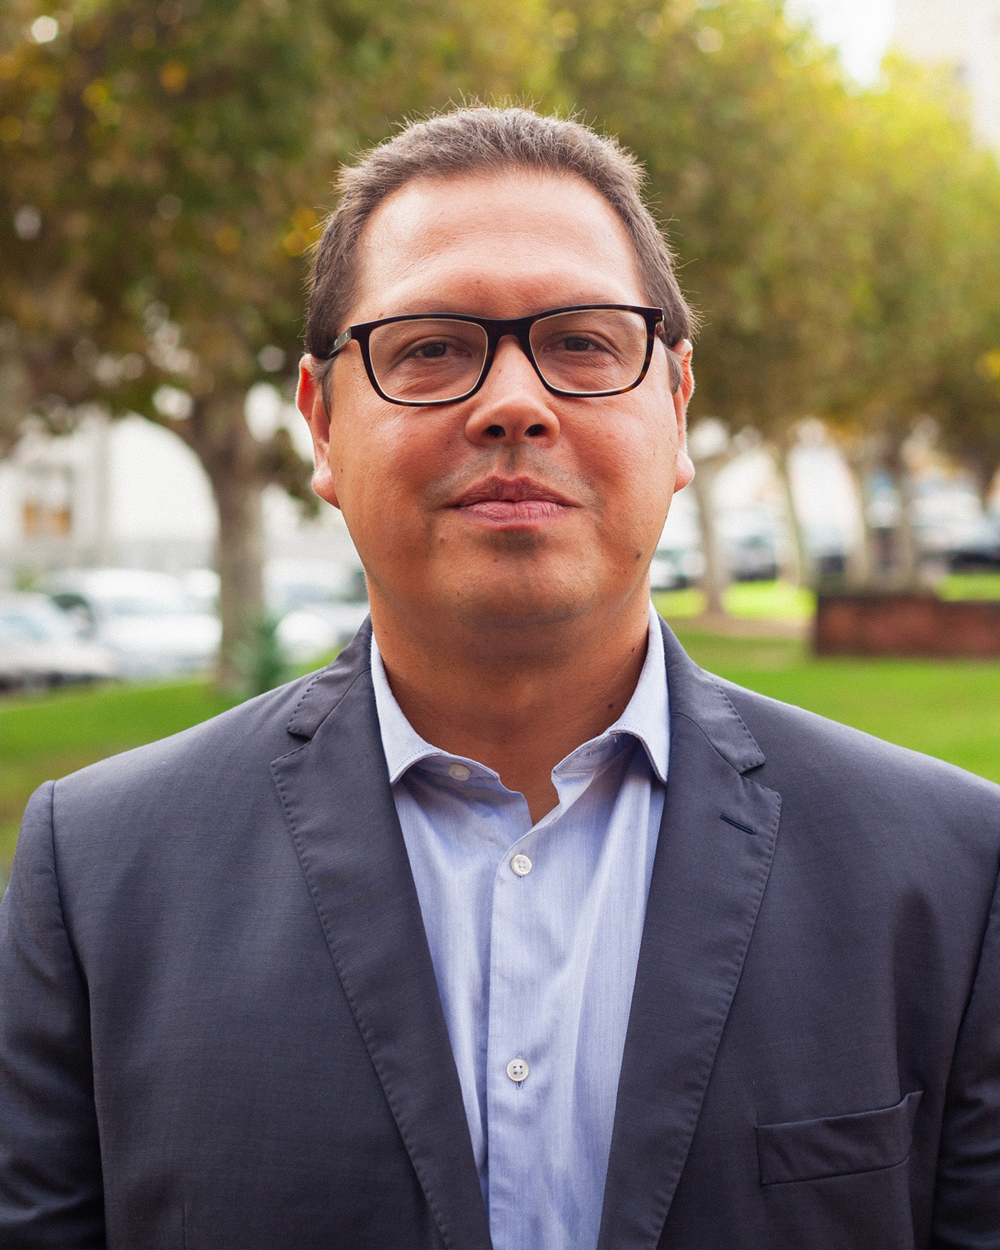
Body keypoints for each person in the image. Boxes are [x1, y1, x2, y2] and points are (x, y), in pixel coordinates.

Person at [1, 106, 999, 1250]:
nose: (514, 401)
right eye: (431, 347)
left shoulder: (948, 873)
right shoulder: (100, 874)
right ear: (321, 424)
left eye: (582, 341)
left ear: (675, 407)